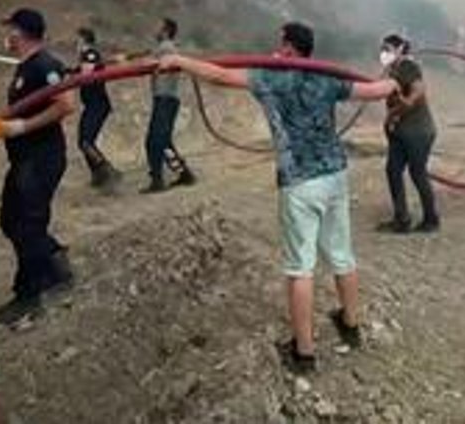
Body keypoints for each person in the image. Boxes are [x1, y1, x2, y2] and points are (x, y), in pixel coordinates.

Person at [159, 22, 398, 373]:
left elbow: (220, 76)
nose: (276, 47)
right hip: (335, 176)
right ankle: (351, 324)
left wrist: (180, 61)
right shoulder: (325, 77)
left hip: (300, 183)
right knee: (341, 255)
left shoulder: (270, 78)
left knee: (300, 267)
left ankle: (304, 352)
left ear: (288, 47)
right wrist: (396, 78)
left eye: (280, 43)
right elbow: (376, 90)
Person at [0, 8, 77, 325]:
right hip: (25, 159)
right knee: (10, 220)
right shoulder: (26, 67)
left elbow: (66, 105)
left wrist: (21, 126)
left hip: (41, 159)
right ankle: (54, 261)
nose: (6, 36)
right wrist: (6, 122)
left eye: (9, 29)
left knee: (27, 226)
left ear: (19, 32)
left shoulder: (44, 64)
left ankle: (28, 299)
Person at [377, 34, 440, 234]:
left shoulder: (408, 66)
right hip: (400, 132)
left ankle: (431, 219)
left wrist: (407, 102)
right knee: (393, 171)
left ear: (400, 48)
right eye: (382, 49)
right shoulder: (392, 70)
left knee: (417, 173)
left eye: (387, 49)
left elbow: (418, 89)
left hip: (418, 132)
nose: (383, 53)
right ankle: (401, 219)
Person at [142, 17, 196, 193]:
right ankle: (182, 174)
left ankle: (158, 180)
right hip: (166, 99)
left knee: (155, 141)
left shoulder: (166, 47)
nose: (154, 29)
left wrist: (145, 62)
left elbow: (151, 62)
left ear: (165, 31)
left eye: (157, 27)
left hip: (165, 99)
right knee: (161, 141)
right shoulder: (163, 48)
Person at [73, 27, 121, 188]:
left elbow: (86, 73)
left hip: (98, 105)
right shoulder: (85, 58)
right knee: (83, 141)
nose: (76, 44)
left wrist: (74, 73)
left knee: (86, 141)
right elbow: (80, 71)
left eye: (78, 40)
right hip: (91, 105)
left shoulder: (90, 54)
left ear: (83, 40)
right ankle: (98, 174)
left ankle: (107, 171)